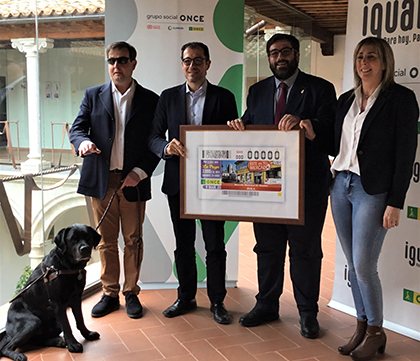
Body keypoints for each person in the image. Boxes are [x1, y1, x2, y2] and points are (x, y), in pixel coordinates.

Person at [228, 33, 336, 338]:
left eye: (285, 52)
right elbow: (253, 127)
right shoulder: (258, 91)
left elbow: (333, 134)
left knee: (305, 251)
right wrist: (239, 126)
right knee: (267, 248)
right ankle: (266, 305)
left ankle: (307, 312)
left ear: (297, 55)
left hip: (307, 188)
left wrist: (308, 126)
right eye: (274, 53)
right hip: (266, 188)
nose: (279, 58)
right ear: (269, 58)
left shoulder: (320, 88)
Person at [328, 37, 418, 361]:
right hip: (341, 186)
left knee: (364, 265)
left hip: (372, 191)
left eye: (371, 58)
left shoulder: (401, 100)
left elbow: (405, 155)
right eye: (360, 57)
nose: (364, 63)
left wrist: (396, 202)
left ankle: (377, 332)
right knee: (352, 265)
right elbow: (332, 140)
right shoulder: (344, 101)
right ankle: (362, 326)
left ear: (384, 63)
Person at [148, 42, 238, 324]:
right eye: (187, 61)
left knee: (214, 245)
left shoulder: (225, 97)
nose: (192, 66)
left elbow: (233, 142)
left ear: (208, 64)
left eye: (198, 60)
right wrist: (166, 147)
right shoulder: (168, 98)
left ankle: (217, 301)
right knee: (183, 245)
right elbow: (152, 138)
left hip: (214, 185)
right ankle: (186, 297)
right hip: (178, 183)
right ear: (182, 64)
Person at [69, 41, 160, 319]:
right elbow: (77, 128)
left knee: (133, 239)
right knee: (106, 241)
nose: (116, 66)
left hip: (133, 180)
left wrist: (140, 172)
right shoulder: (92, 95)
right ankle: (110, 293)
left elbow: (154, 143)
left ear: (133, 63)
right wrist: (82, 142)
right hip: (101, 180)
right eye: (111, 61)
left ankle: (131, 293)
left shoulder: (150, 99)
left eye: (122, 60)